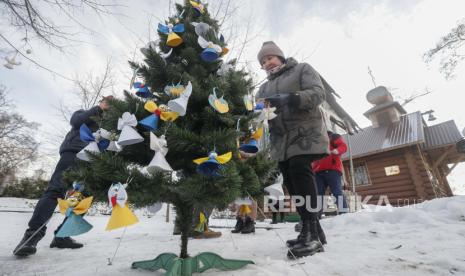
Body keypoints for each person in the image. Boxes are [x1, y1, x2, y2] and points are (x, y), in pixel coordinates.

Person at [13, 96, 113, 257]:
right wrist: (99, 109)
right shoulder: (86, 113)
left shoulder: (110, 125)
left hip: (95, 161)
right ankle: (30, 237)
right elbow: (76, 121)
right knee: (56, 191)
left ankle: (62, 236)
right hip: (74, 153)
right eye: (107, 103)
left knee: (86, 198)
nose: (109, 106)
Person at [256, 41, 328, 258]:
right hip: (280, 139)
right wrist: (259, 113)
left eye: (269, 58)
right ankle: (312, 230)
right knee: (289, 180)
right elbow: (261, 111)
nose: (267, 63)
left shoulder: (301, 69)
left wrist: (292, 97)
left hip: (304, 132)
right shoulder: (263, 88)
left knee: (300, 169)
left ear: (280, 56)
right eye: (262, 61)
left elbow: (318, 93)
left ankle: (312, 234)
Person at [312, 131, 349, 216]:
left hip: (333, 170)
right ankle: (317, 216)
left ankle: (344, 214)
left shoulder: (333, 137)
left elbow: (343, 146)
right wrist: (312, 169)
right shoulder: (315, 141)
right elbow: (314, 159)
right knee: (318, 194)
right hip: (318, 172)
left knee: (336, 191)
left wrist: (337, 150)